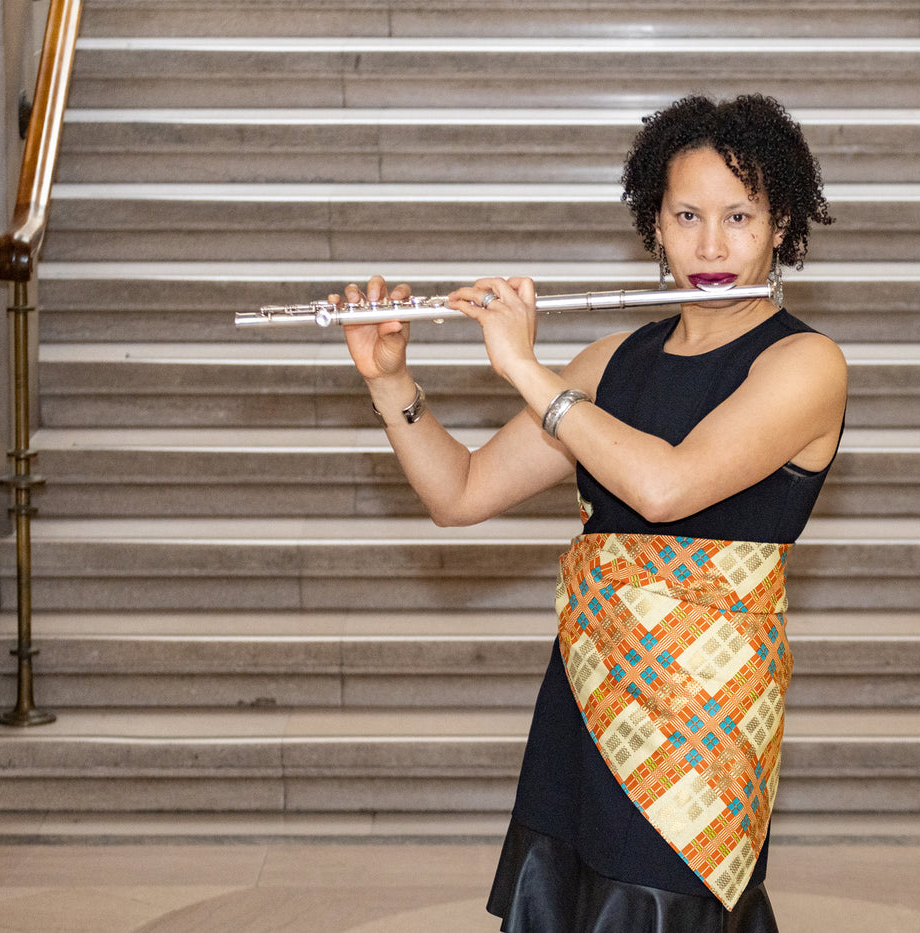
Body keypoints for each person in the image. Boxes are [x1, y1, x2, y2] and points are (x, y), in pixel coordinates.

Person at [336, 94, 845, 932]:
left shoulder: (805, 363)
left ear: (780, 224)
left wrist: (526, 369)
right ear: (655, 223)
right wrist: (389, 380)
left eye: (739, 217)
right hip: (587, 689)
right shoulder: (611, 362)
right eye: (686, 216)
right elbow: (458, 492)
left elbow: (666, 489)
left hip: (704, 713)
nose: (710, 246)